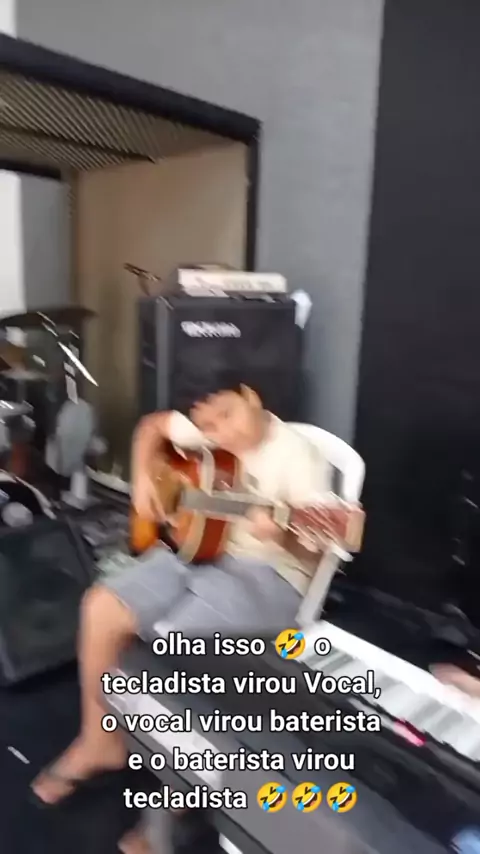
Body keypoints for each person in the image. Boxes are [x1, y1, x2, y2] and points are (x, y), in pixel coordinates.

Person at [30, 377, 330, 844]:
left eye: (227, 416)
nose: (219, 432)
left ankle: (170, 811)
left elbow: (318, 549)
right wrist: (144, 480)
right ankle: (100, 740)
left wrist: (285, 534)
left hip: (269, 577)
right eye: (208, 425)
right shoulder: (208, 432)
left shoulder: (299, 456)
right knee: (101, 606)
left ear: (252, 396)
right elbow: (152, 427)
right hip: (199, 550)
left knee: (176, 653)